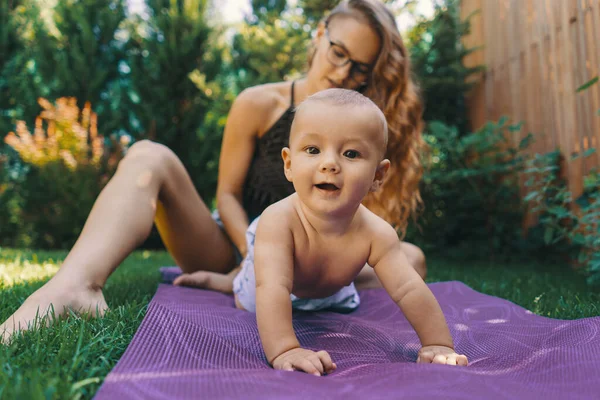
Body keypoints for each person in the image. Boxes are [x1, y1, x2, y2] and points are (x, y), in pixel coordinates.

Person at [1, 0, 426, 343]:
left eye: (359, 69)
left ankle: (274, 290)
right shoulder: (259, 103)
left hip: (311, 263)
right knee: (149, 156)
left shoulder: (365, 127)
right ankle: (76, 285)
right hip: (231, 246)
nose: (342, 72)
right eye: (338, 53)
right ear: (320, 35)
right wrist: (254, 257)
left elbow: (360, 222)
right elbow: (226, 194)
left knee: (412, 259)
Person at [234, 88, 467, 375]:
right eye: (313, 150)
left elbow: (409, 289)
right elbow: (272, 288)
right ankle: (226, 279)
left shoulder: (376, 233)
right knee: (247, 292)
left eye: (351, 153)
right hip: (268, 282)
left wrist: (438, 344)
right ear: (289, 164)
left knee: (342, 300)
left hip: (330, 293)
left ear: (377, 176)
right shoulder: (278, 221)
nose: (329, 163)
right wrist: (285, 349)